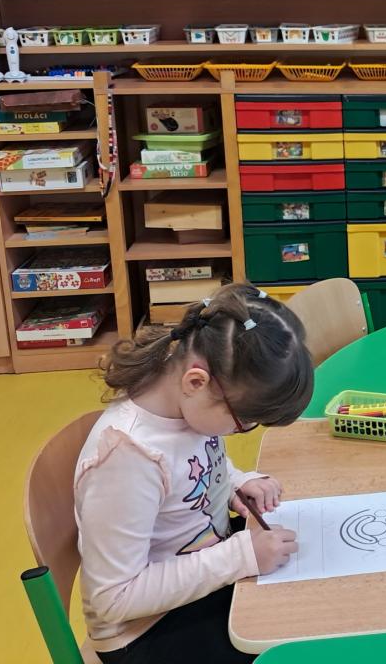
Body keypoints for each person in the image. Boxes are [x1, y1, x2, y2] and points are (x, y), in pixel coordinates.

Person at [75, 284, 315, 663]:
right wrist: (240, 556)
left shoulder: (183, 405)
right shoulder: (127, 457)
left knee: (314, 599)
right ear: (196, 382)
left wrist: (233, 484)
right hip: (144, 631)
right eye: (242, 421)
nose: (238, 431)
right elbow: (114, 598)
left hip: (198, 576)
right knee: (300, 642)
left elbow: (190, 464)